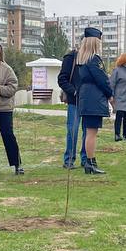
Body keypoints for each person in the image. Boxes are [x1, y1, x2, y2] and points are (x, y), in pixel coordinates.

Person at [76, 27, 112, 175]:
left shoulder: (83, 59)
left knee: (89, 132)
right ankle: (90, 163)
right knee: (91, 132)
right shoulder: (93, 60)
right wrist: (110, 94)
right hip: (93, 99)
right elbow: (102, 80)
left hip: (87, 98)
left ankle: (90, 162)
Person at [0, 41, 23, 176]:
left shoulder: (6, 69)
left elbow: (13, 87)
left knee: (8, 135)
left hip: (4, 109)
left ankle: (17, 164)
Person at [58, 37, 87, 169]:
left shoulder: (93, 59)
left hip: (89, 101)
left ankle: (86, 159)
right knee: (73, 130)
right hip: (74, 101)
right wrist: (74, 91)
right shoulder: (71, 58)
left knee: (88, 131)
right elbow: (62, 78)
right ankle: (69, 159)